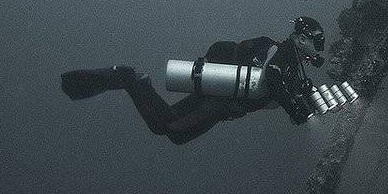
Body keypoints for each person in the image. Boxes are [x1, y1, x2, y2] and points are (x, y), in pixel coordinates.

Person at [61, 16, 328, 145]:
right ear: (301, 39)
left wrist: (305, 102)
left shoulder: (293, 65)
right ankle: (130, 79)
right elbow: (273, 76)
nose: (319, 47)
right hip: (217, 102)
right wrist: (294, 109)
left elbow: (284, 89)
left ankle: (134, 81)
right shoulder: (285, 54)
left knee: (167, 127)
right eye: (317, 41)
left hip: (219, 100)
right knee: (173, 130)